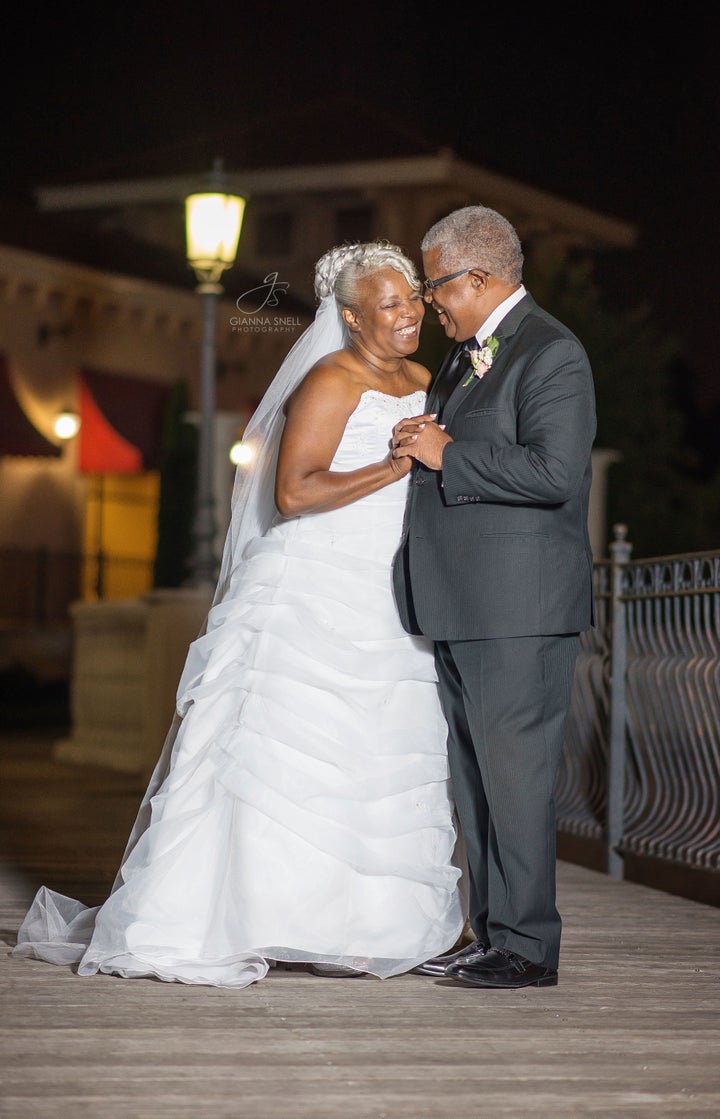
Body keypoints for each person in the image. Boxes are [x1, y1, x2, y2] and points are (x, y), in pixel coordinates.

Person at [13, 241, 465, 988]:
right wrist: (395, 465)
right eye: (391, 304)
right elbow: (293, 493)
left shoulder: (423, 378)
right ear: (351, 317)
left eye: (413, 298)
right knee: (283, 752)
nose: (411, 312)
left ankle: (361, 926)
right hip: (317, 585)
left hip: (390, 590)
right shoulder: (329, 378)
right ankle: (254, 912)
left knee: (377, 749)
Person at [391, 206, 596, 989]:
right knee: (474, 781)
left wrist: (450, 452)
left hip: (520, 611)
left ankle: (529, 947)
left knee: (517, 782)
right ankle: (491, 933)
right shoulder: (463, 357)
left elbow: (554, 474)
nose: (428, 300)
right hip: (462, 605)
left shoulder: (553, 353)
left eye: (436, 283)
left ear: (478, 278)